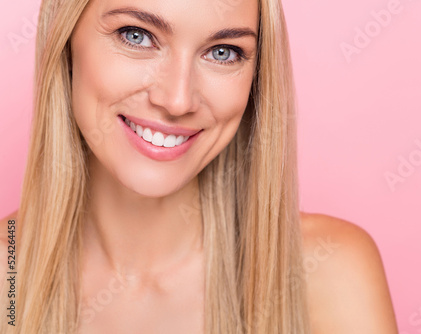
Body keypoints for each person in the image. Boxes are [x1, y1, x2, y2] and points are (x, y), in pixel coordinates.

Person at [0, 0, 399, 332]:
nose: (177, 100)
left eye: (223, 52)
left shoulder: (329, 270)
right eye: (136, 35)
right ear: (66, 40)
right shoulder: (9, 279)